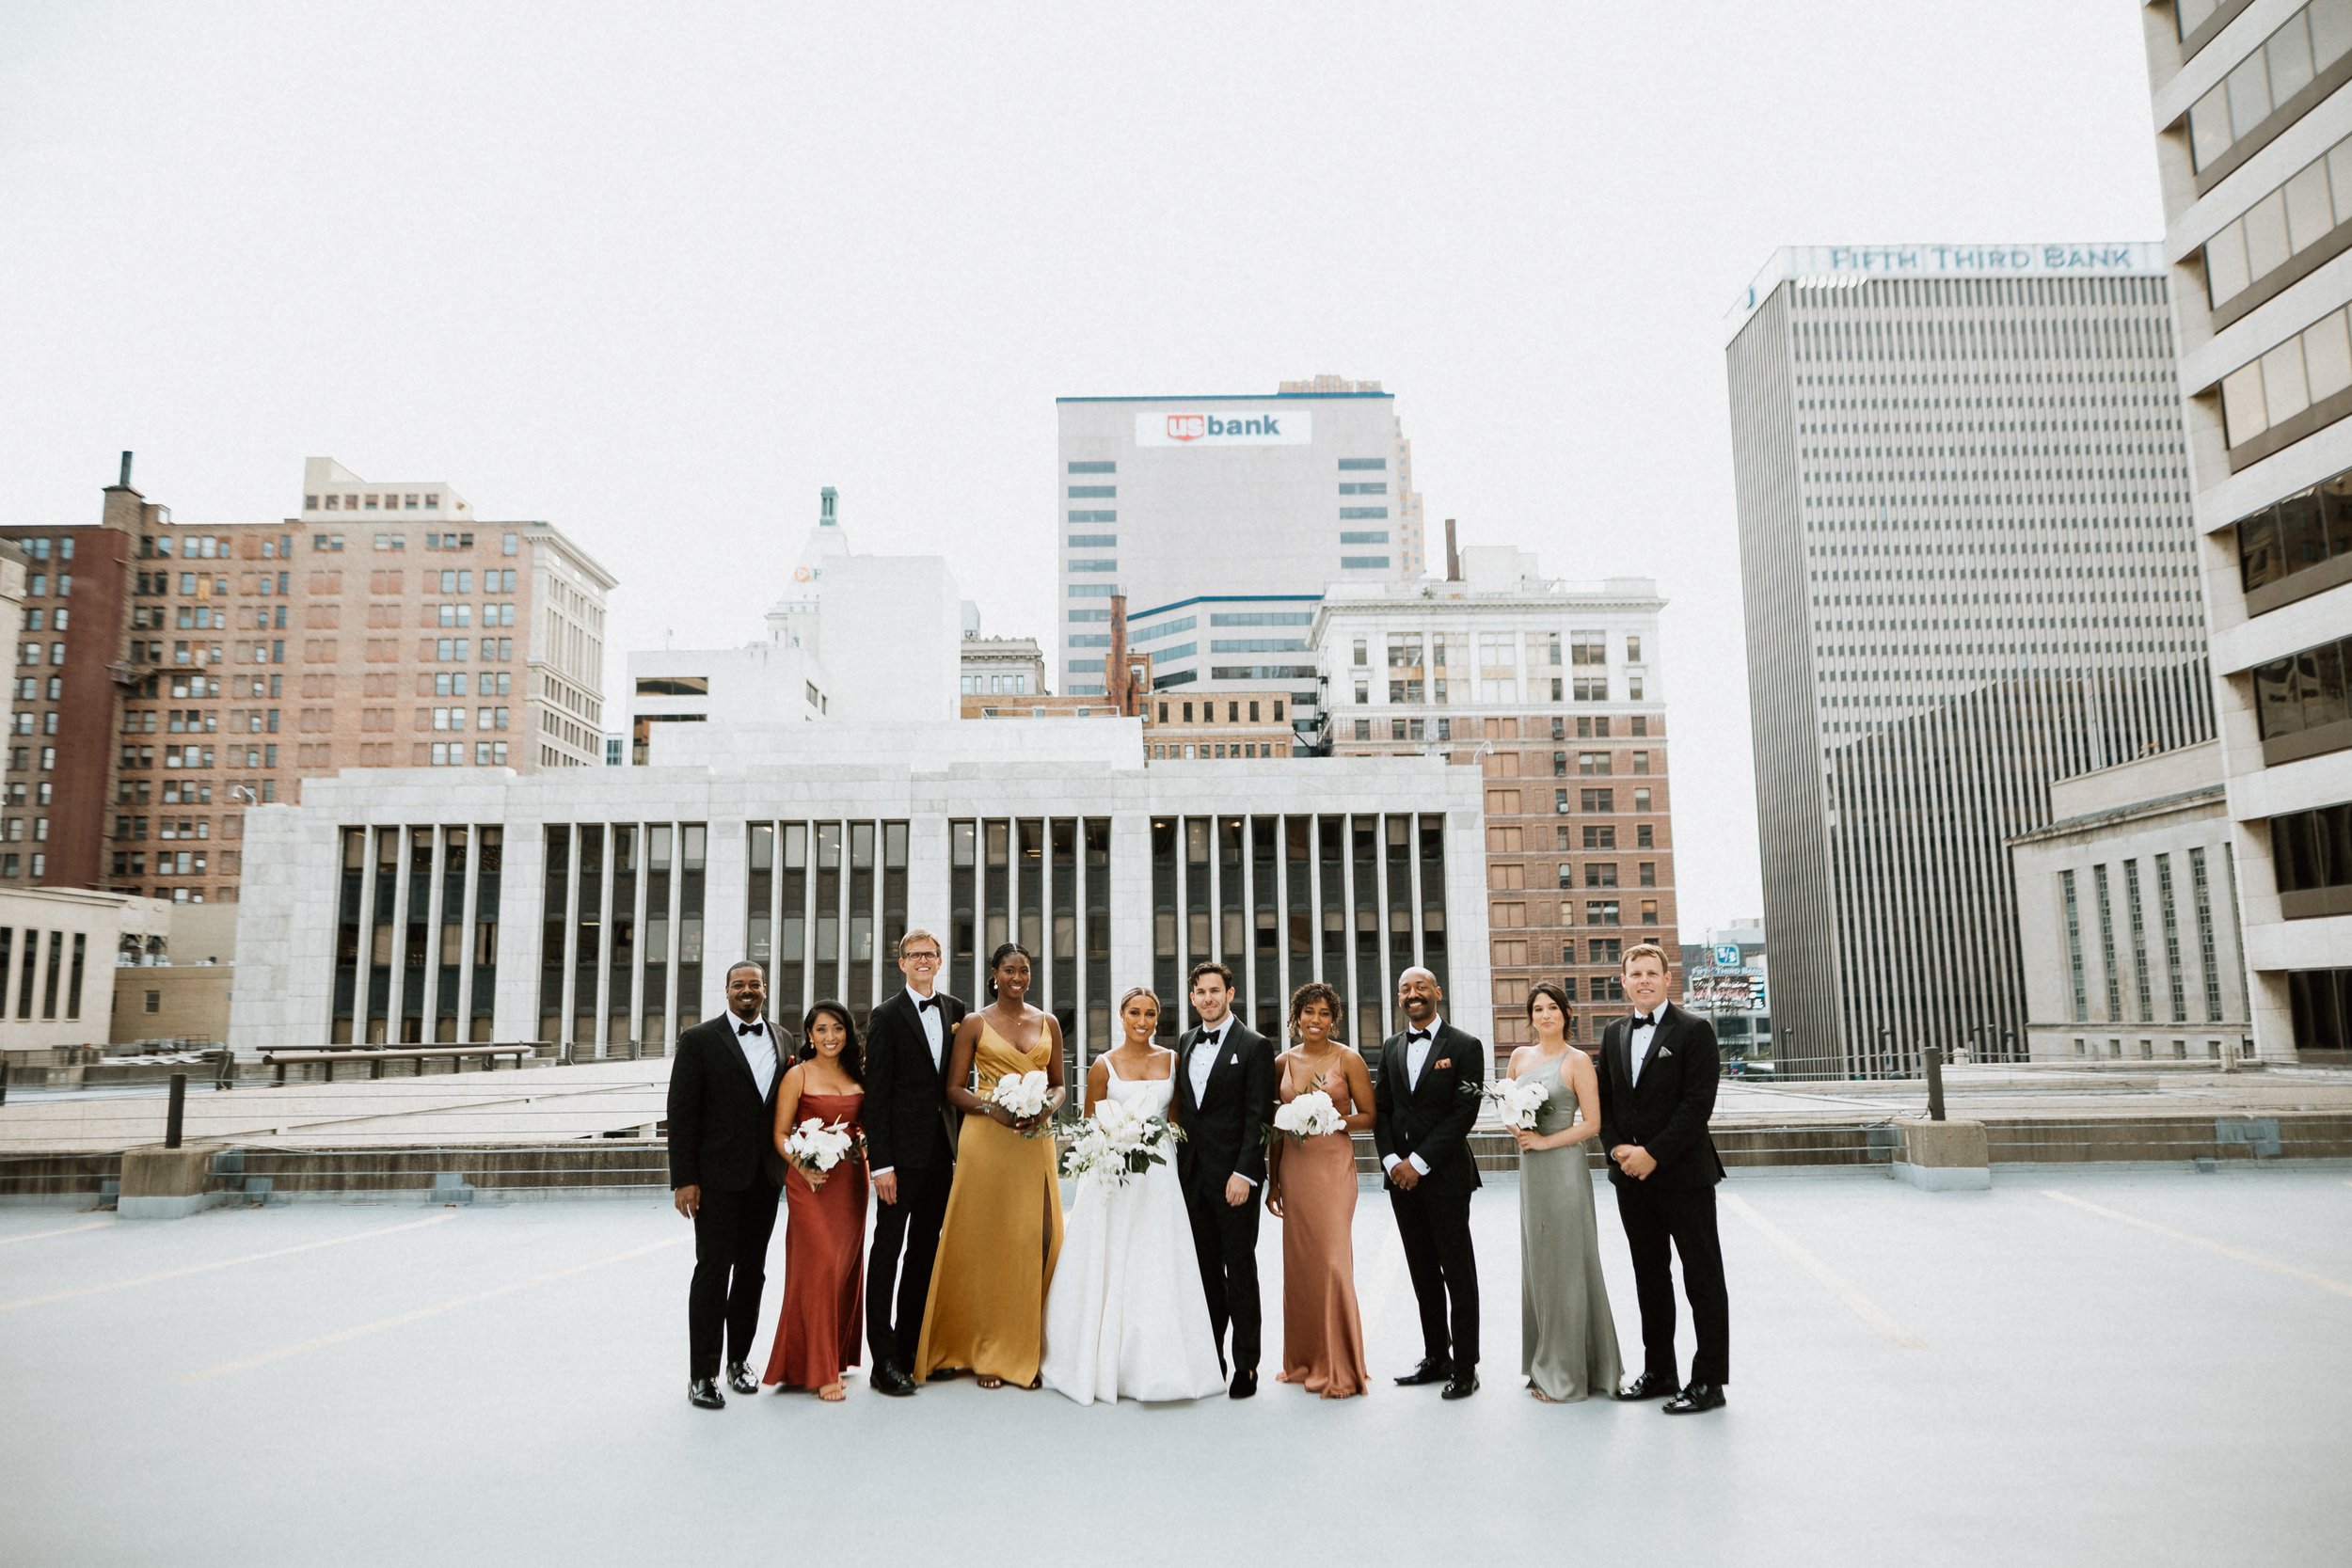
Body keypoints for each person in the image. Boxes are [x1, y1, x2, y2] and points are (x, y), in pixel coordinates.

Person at [1039, 988, 1227, 1405]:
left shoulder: (1172, 1060)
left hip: (1159, 1176)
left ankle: (1158, 1362)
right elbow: (1091, 1123)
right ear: (1121, 1016)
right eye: (1134, 1013)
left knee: (1157, 1259)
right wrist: (1114, 1146)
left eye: (1150, 1014)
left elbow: (1175, 1122)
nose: (1142, 1021)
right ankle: (1098, 1358)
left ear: (1157, 1020)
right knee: (1110, 1257)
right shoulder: (1103, 1066)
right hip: (1113, 1175)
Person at [914, 942, 1066, 1389]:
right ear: (994, 974)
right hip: (986, 1139)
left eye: (1024, 970)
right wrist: (991, 1107)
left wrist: (1046, 1108)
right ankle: (987, 1350)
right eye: (1009, 970)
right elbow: (955, 1089)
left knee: (1036, 1237)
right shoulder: (975, 1024)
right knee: (986, 1241)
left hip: (1034, 1139)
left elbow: (1059, 1085)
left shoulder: (1049, 1022)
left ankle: (1029, 1348)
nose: (1017, 978)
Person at [1597, 942, 1730, 1416]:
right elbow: (1606, 1103)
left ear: (1666, 978)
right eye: (1635, 974)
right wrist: (1616, 1150)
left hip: (1684, 1176)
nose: (1644, 981)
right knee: (1649, 1277)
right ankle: (1659, 1372)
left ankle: (1709, 1381)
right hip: (1630, 1179)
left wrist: (1653, 1153)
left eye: (1652, 973)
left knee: (1702, 1279)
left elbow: (1697, 1107)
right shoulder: (1612, 1034)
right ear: (1624, 980)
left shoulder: (1695, 1031)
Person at [666, 959, 786, 1411]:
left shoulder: (783, 1038)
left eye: (755, 984)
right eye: (739, 985)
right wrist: (685, 1180)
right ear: (727, 990)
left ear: (765, 990)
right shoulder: (698, 1040)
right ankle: (702, 1375)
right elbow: (681, 1113)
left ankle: (739, 1361)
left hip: (764, 1179)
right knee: (713, 1273)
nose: (747, 991)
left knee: (753, 1273)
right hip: (715, 1181)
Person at [860, 929, 968, 1397]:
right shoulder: (885, 1016)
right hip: (898, 1162)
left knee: (925, 1253)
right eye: (913, 955)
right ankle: (882, 1360)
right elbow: (876, 1094)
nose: (922, 960)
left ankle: (911, 1351)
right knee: (887, 1253)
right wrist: (880, 1164)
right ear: (900, 962)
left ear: (940, 960)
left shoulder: (957, 1011)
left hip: (943, 1156)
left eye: (930, 953)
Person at [1374, 965, 1485, 1400]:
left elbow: (1464, 1115)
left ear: (1437, 992)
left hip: (1446, 1178)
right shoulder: (1390, 1046)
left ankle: (1466, 1366)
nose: (1413, 994)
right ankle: (1436, 1355)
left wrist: (1418, 1162)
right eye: (1404, 989)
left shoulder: (1465, 1045)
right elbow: (1382, 1109)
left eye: (1421, 986)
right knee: (1422, 1272)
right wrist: (1390, 1161)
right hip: (1400, 1181)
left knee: (1458, 1273)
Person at [1511, 982, 1621, 1403]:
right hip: (1531, 1169)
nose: (1545, 1015)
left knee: (1568, 1265)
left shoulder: (1577, 1062)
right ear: (1531, 1016)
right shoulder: (1519, 1057)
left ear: (1566, 1013)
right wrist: (1519, 1131)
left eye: (1552, 1007)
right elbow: (1506, 1106)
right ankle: (1543, 1360)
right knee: (1538, 1264)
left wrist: (1544, 1141)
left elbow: (1592, 1123)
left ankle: (1568, 1374)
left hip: (1562, 1168)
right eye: (1538, 1009)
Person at [1171, 959, 1277, 1399]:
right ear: (1193, 998)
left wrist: (1245, 1174)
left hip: (1235, 1180)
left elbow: (1260, 1116)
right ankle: (1209, 1356)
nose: (1208, 998)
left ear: (1230, 995)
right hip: (1192, 1178)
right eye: (1201, 992)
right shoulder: (1185, 1041)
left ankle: (1246, 1365)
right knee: (1204, 1274)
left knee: (1241, 1272)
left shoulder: (1254, 1045)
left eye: (1216, 991)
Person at [1265, 980, 1373, 1400]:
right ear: (1296, 1017)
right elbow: (1274, 1125)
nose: (1316, 1020)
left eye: (1324, 1013)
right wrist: (1273, 1178)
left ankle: (1340, 1367)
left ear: (1334, 1019)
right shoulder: (1281, 1063)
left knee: (1331, 1262)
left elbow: (1370, 1116)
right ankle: (1305, 1360)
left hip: (1332, 1168)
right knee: (1302, 1265)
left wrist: (1333, 1119)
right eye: (1308, 1012)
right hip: (1295, 1167)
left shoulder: (1350, 1060)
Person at [762, 1000, 867, 1401]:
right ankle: (821, 1372)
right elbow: (780, 1134)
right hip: (809, 1183)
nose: (830, 1037)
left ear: (848, 1033)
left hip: (850, 1184)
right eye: (821, 1029)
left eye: (837, 1029)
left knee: (842, 1269)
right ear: (809, 1035)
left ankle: (828, 1356)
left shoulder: (858, 1073)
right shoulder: (797, 1075)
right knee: (819, 1267)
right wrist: (803, 1166)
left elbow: (864, 1127)